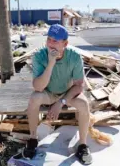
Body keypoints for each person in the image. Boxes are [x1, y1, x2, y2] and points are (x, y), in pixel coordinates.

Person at [22, 24, 93, 165]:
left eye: (55, 41)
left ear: (65, 44)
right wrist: (50, 63)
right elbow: (38, 87)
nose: (50, 44)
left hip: (67, 93)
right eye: (49, 39)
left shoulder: (74, 57)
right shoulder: (39, 56)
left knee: (84, 104)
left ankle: (82, 145)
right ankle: (32, 139)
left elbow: (79, 85)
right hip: (49, 92)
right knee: (34, 98)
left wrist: (61, 103)